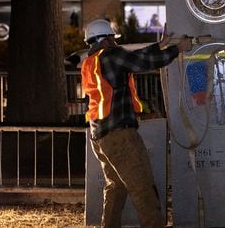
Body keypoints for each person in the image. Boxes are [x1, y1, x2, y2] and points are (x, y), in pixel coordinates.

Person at [81, 18, 191, 228]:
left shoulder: (90, 62)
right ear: (106, 40)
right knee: (143, 191)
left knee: (116, 187)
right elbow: (142, 62)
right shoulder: (111, 56)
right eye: (113, 39)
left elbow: (133, 57)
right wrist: (177, 48)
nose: (115, 42)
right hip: (120, 135)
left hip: (100, 136)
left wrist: (159, 45)